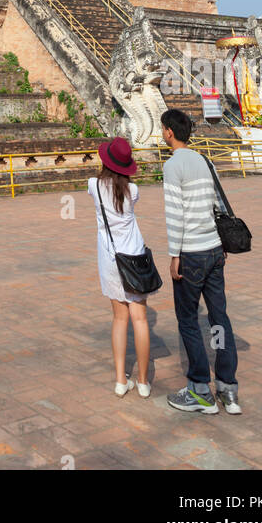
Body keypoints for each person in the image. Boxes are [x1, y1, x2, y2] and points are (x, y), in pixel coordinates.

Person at [161, 107, 241, 415]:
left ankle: (199, 390)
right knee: (219, 318)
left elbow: (175, 215)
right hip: (214, 250)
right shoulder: (205, 160)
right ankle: (228, 389)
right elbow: (218, 204)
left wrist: (174, 255)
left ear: (169, 132)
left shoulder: (173, 165)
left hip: (191, 253)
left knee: (189, 321)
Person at [88, 136, 151, 397]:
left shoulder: (93, 185)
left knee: (119, 319)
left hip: (111, 260)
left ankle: (119, 380)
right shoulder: (133, 191)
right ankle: (144, 381)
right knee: (140, 319)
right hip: (135, 258)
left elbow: (102, 185)